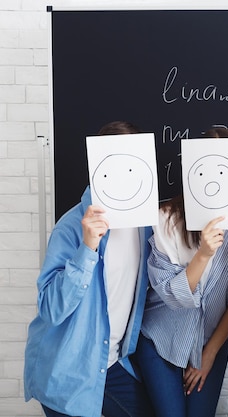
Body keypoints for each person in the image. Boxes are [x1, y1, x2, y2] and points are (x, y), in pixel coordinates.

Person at [23, 121, 155, 417]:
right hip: (68, 369)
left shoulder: (145, 226)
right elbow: (51, 309)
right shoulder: (71, 228)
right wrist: (87, 249)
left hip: (112, 363)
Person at [135, 127, 228, 417]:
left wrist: (208, 355)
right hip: (161, 341)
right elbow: (175, 296)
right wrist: (204, 254)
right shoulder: (165, 220)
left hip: (212, 342)